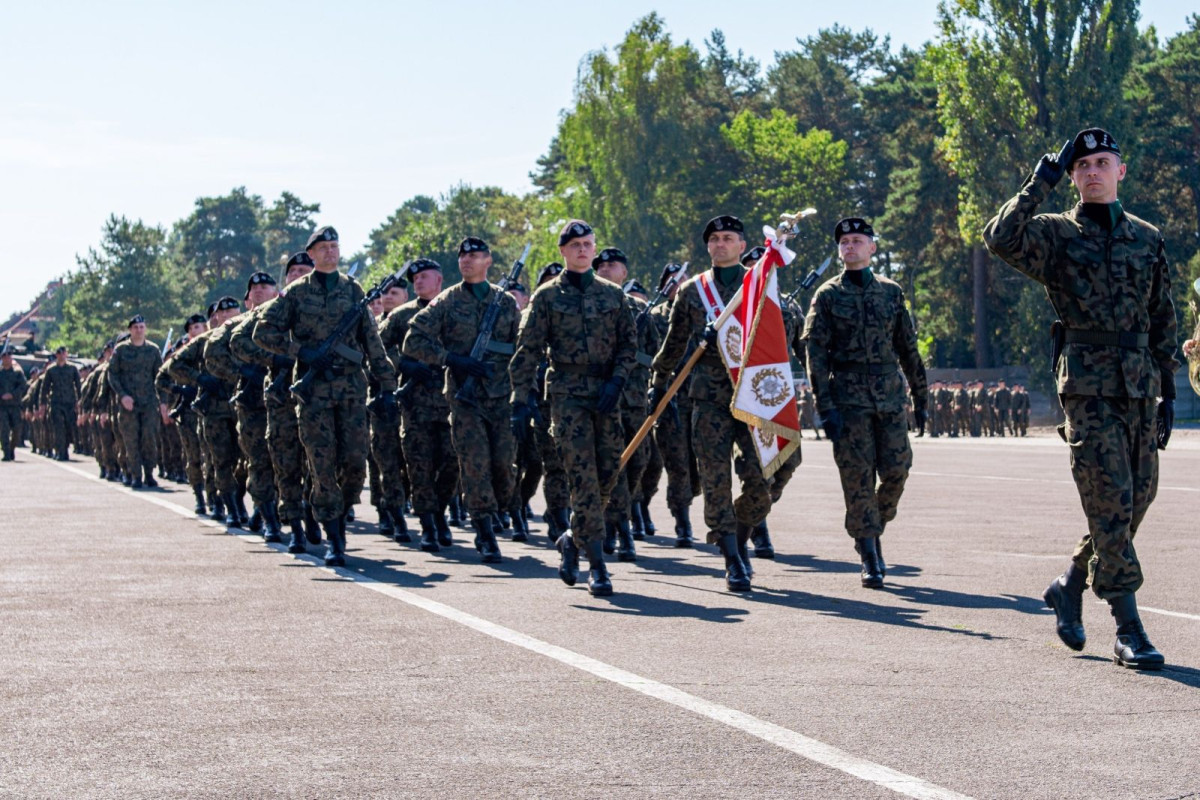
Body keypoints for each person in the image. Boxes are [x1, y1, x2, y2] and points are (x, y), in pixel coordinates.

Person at [983, 127, 1178, 669]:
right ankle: (1128, 628)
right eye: (1082, 164)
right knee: (1111, 504)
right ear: (1073, 176)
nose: (1092, 170)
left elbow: (1163, 315)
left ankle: (1070, 584)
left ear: (1121, 170)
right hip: (1088, 388)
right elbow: (999, 237)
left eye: (1102, 162)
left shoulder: (1147, 237)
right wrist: (1042, 175)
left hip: (1139, 385)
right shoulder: (1054, 234)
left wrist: (1166, 389)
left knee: (1136, 500)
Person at [253, 225, 397, 567]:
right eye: (323, 247)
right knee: (321, 466)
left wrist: (388, 386)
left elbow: (372, 343)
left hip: (351, 390)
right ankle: (335, 536)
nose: (331, 251)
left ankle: (338, 512)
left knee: (354, 465)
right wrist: (301, 351)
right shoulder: (297, 293)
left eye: (335, 245)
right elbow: (262, 332)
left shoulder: (354, 290)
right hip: (313, 394)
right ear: (312, 253)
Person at [509, 220, 637, 596]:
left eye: (588, 244)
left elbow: (629, 343)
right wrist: (520, 399)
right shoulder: (547, 297)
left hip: (605, 393)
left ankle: (571, 537)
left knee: (609, 474)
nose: (583, 250)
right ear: (563, 251)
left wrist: (617, 380)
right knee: (581, 477)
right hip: (566, 395)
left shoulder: (614, 296)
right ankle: (598, 566)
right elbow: (527, 350)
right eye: (576, 244)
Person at [801, 217, 927, 588]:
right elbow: (816, 356)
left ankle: (867, 526)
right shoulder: (826, 296)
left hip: (889, 397)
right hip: (848, 400)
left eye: (858, 240)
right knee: (856, 479)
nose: (850, 247)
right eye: (844, 242)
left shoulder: (891, 292)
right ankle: (871, 553)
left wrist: (921, 396)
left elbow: (908, 347)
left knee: (897, 469)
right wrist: (825, 408)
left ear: (872, 248)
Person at [650, 215, 767, 592]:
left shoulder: (759, 285)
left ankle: (741, 534)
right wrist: (657, 381)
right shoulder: (692, 291)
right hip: (708, 396)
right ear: (708, 247)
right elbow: (673, 344)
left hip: (753, 395)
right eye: (714, 239)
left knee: (763, 479)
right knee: (716, 480)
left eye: (728, 238)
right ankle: (732, 558)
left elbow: (780, 335)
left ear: (741, 244)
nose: (720, 244)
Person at [405, 236, 519, 563]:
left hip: (499, 395)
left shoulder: (506, 302)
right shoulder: (446, 301)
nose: (467, 260)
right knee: (474, 463)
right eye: (462, 257)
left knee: (502, 466)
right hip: (463, 398)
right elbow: (414, 340)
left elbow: (520, 346)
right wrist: (450, 359)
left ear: (489, 261)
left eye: (475, 255)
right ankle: (484, 531)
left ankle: (493, 511)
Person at [380, 257, 459, 551]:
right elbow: (377, 346)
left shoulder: (454, 311)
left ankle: (438, 511)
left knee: (453, 462)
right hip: (415, 405)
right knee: (420, 467)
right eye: (415, 277)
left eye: (424, 276)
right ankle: (428, 524)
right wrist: (403, 365)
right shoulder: (400, 317)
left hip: (451, 402)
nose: (418, 281)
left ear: (439, 280)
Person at [647, 261, 699, 547]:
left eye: (683, 280)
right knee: (676, 465)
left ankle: (684, 502)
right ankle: (682, 521)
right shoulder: (655, 317)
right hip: (669, 400)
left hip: (700, 398)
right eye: (672, 280)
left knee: (697, 469)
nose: (678, 285)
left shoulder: (701, 314)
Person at [108, 315, 165, 487]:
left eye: (141, 327)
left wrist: (163, 402)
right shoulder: (121, 350)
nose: (139, 330)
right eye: (135, 327)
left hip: (149, 403)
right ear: (130, 330)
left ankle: (149, 473)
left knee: (149, 439)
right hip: (128, 404)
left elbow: (160, 377)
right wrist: (122, 395)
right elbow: (113, 375)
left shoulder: (153, 350)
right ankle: (135, 475)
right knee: (131, 441)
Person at [39, 347, 81, 461]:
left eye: (64, 353)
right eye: (59, 353)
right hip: (56, 403)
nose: (62, 355)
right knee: (58, 428)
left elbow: (78, 385)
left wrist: (79, 401)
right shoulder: (51, 370)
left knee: (68, 427)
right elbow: (45, 388)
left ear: (66, 354)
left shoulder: (72, 369)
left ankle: (65, 448)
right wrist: (42, 405)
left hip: (69, 403)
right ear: (56, 355)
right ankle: (60, 451)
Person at [0, 347, 27, 461]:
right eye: (4, 357)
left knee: (17, 429)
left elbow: (23, 386)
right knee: (4, 430)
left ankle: (11, 448)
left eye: (9, 357)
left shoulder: (17, 374)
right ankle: (6, 452)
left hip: (15, 405)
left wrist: (12, 394)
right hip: (2, 406)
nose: (7, 359)